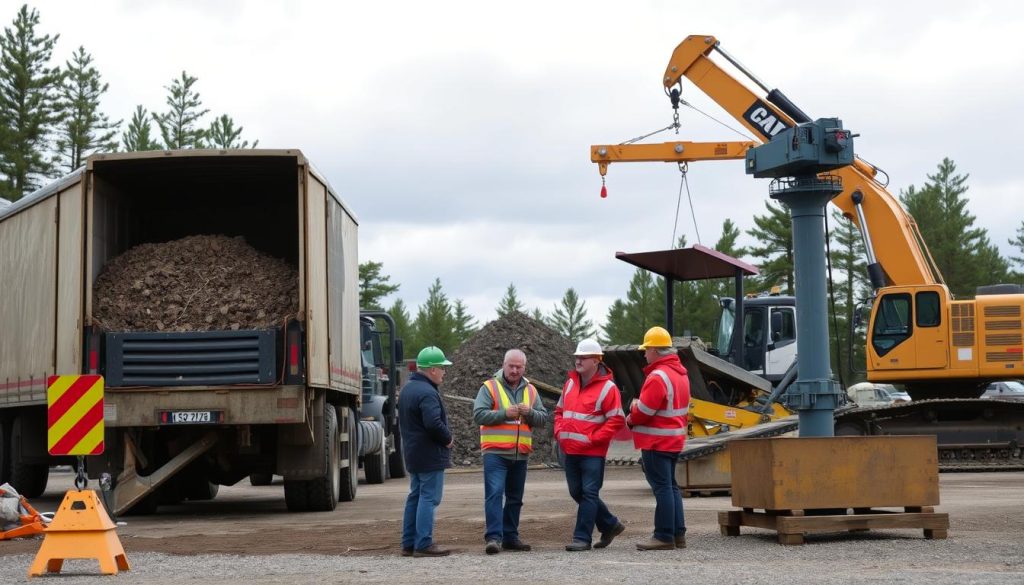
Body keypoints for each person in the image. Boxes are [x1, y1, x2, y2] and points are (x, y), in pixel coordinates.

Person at [472, 348, 548, 555]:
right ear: (503, 365)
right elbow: (479, 415)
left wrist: (529, 412)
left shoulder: (531, 391)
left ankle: (511, 537)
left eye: (519, 367)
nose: (514, 370)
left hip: (520, 454)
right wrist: (506, 413)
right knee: (495, 494)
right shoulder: (489, 387)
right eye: (511, 366)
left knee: (515, 497)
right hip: (495, 453)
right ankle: (494, 538)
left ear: (524, 367)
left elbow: (542, 418)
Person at [554, 338, 627, 551]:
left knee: (589, 493)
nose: (578, 360)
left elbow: (616, 419)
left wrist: (594, 439)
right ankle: (610, 524)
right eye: (577, 357)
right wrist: (559, 432)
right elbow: (559, 412)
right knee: (577, 492)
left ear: (596, 361)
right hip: (570, 450)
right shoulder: (570, 383)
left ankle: (582, 538)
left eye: (583, 357)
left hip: (592, 453)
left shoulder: (608, 388)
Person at [625, 326, 689, 551]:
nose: (644, 354)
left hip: (656, 441)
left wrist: (631, 415)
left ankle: (663, 535)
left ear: (655, 350)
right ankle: (678, 533)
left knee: (662, 488)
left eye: (646, 349)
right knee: (671, 486)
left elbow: (645, 410)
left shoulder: (658, 376)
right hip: (673, 440)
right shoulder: (680, 373)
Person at [399, 346, 455, 558]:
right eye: (442, 368)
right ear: (432, 370)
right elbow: (433, 423)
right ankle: (423, 543)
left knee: (415, 496)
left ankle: (408, 543)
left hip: (413, 453)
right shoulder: (428, 393)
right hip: (429, 454)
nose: (444, 372)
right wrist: (447, 439)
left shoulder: (407, 389)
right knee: (429, 498)